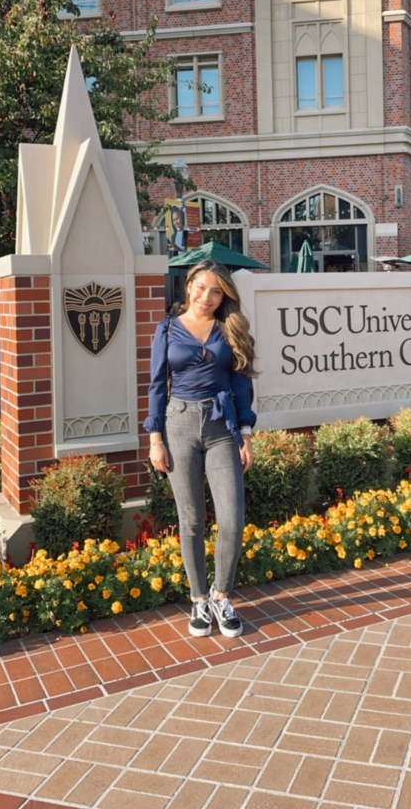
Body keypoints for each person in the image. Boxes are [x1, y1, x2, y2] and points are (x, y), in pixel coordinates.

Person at [144, 259, 257, 639]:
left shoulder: (231, 328)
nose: (206, 297)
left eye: (216, 291)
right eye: (201, 287)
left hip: (221, 426)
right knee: (191, 520)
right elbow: (156, 385)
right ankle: (198, 600)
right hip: (178, 425)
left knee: (232, 519)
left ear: (224, 296)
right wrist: (155, 439)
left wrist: (246, 433)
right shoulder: (167, 329)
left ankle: (221, 596)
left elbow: (241, 381)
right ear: (189, 284)